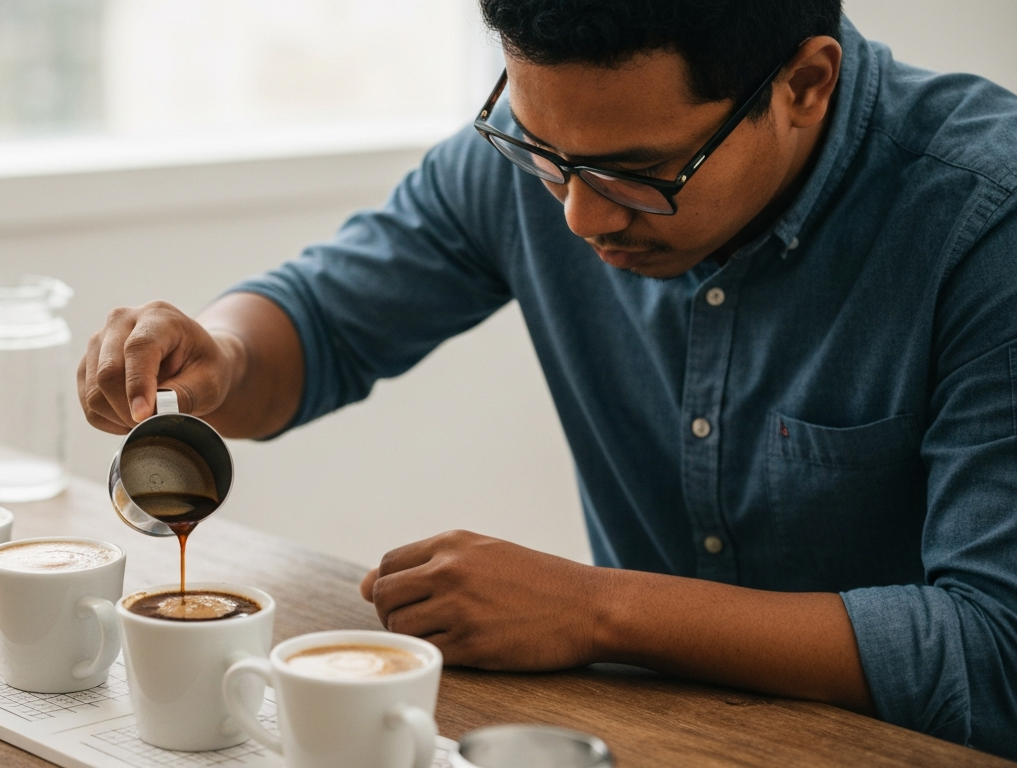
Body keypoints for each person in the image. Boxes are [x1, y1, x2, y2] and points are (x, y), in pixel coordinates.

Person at [78, 1, 1017, 757]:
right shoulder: (552, 154)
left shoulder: (986, 223)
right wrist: (221, 350)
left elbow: (994, 656)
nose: (576, 214)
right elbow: (320, 325)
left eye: (638, 172)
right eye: (539, 151)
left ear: (806, 83)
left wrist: (598, 609)